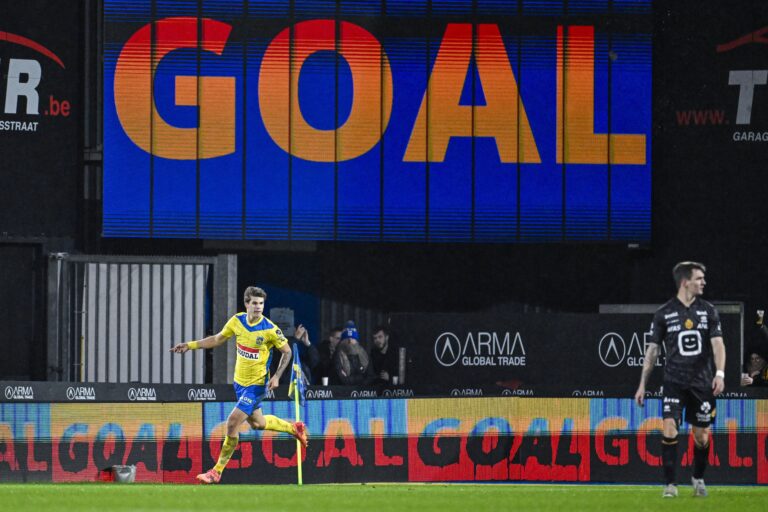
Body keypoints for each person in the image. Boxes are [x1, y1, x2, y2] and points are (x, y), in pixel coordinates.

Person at [170, 286, 308, 484]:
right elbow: (217, 339)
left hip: (257, 385)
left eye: (261, 303)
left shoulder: (269, 329)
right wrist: (190, 345)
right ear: (246, 304)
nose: (259, 307)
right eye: (254, 303)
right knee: (257, 423)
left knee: (233, 422)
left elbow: (287, 352)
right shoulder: (237, 321)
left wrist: (277, 376)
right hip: (239, 384)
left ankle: (216, 471)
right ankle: (294, 428)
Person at [634, 261, 725, 498]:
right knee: (670, 429)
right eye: (699, 278)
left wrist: (720, 373)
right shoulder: (663, 313)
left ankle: (697, 477)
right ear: (685, 282)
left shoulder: (708, 310)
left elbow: (718, 345)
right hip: (674, 382)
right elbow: (652, 350)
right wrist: (642, 384)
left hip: (702, 384)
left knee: (701, 436)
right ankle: (670, 485)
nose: (703, 282)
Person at [333, 321, 375, 386]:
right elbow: (342, 379)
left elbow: (370, 376)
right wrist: (361, 377)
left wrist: (360, 384)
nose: (350, 341)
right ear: (343, 340)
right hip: (343, 392)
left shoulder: (364, 354)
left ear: (356, 340)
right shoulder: (338, 355)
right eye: (347, 338)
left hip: (362, 391)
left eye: (353, 338)